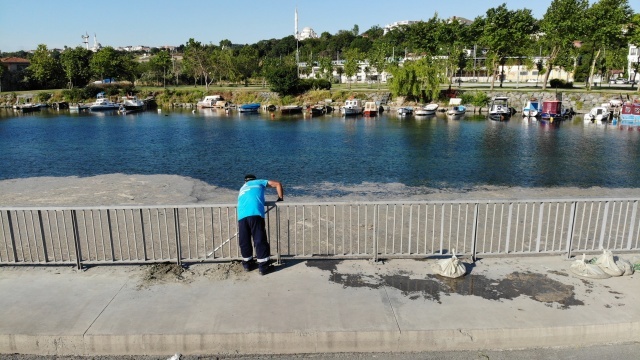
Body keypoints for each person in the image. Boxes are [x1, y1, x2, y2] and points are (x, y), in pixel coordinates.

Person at [237, 174, 284, 275]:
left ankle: (247, 264)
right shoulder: (259, 182)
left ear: (245, 181)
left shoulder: (242, 188)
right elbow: (277, 184)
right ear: (255, 179)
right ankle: (263, 266)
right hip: (255, 214)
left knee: (244, 240)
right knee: (259, 239)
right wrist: (280, 198)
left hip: (242, 216)